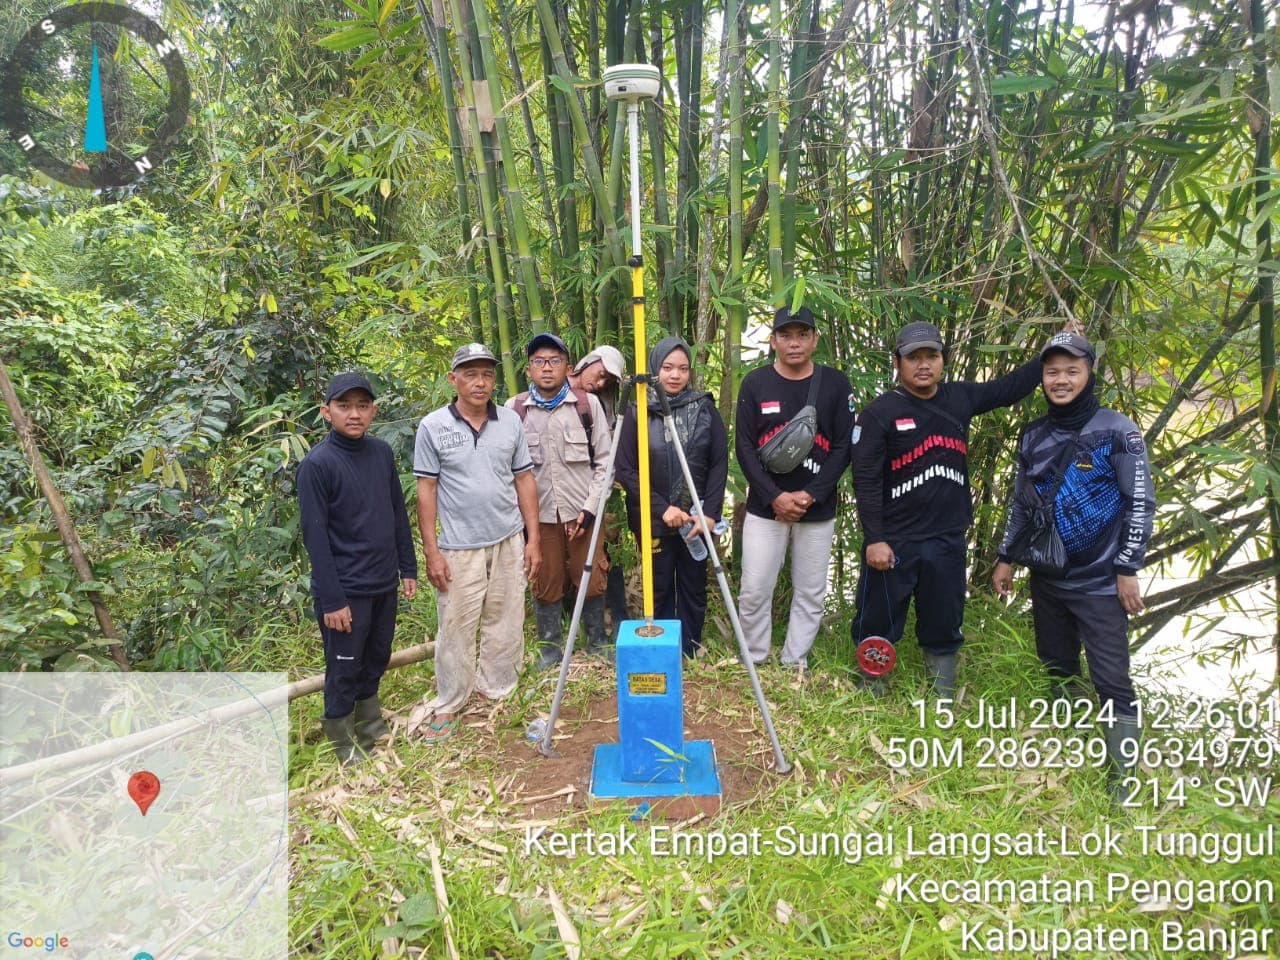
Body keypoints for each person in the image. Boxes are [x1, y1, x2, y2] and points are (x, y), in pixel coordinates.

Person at [992, 332, 1154, 795]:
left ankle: (1123, 781)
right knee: (1057, 666)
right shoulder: (1034, 433)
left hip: (1102, 582)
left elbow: (1140, 501)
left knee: (1111, 680)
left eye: (1071, 371)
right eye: (1052, 372)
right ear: (1042, 378)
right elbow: (1020, 503)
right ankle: (1069, 748)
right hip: (1047, 578)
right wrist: (1006, 557)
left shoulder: (1117, 430)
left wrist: (1128, 567)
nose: (1060, 380)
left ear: (1089, 373)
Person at [849, 321, 1043, 697]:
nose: (924, 365)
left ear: (943, 360)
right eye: (914, 358)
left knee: (944, 615)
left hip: (947, 538)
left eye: (932, 356)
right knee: (879, 616)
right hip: (895, 540)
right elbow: (866, 480)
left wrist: (1050, 354)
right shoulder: (880, 412)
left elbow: (1008, 388)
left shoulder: (959, 398)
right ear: (897, 362)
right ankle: (871, 684)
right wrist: (875, 539)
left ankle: (942, 692)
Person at [413, 343, 541, 742]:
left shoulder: (510, 423)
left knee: (506, 617)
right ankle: (451, 700)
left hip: (507, 538)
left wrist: (532, 538)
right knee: (455, 624)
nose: (480, 382)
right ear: (454, 379)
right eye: (470, 374)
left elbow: (523, 479)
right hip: (458, 546)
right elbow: (426, 490)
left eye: (487, 373)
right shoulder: (433, 426)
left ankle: (499, 687)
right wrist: (432, 550)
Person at [297, 372, 418, 765]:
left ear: (373, 411)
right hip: (345, 589)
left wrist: (408, 567)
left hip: (382, 581)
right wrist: (333, 600)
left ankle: (370, 723)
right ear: (326, 412)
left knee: (377, 655)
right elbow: (316, 538)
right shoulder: (318, 464)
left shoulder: (381, 453)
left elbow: (397, 513)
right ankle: (340, 736)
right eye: (344, 406)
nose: (354, 414)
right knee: (343, 665)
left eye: (362, 406)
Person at [735, 305, 856, 670]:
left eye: (803, 334)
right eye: (785, 335)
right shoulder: (755, 383)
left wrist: (811, 494)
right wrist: (774, 496)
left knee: (810, 592)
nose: (794, 343)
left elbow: (844, 446)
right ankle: (754, 658)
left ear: (815, 340)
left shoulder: (835, 383)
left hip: (816, 509)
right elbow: (743, 446)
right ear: (772, 341)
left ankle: (794, 661)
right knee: (755, 588)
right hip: (764, 508)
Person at [615, 336, 728, 657]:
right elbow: (625, 469)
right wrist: (661, 509)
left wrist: (710, 513)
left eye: (682, 369)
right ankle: (663, 650)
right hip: (653, 519)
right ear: (655, 369)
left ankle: (690, 648)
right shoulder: (638, 408)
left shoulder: (704, 406)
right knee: (659, 583)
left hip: (696, 516)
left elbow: (719, 461)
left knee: (694, 583)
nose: (675, 375)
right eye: (667, 368)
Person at [507, 333, 613, 666]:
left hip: (582, 513)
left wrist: (589, 508)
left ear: (567, 366)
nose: (547, 368)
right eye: (539, 362)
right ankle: (549, 651)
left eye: (554, 361)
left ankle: (597, 643)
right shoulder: (514, 409)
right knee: (545, 580)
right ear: (529, 370)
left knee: (591, 578)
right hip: (539, 520)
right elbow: (507, 470)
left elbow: (605, 465)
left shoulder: (587, 405)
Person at [569, 344, 631, 635]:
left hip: (603, 491)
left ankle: (617, 618)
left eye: (609, 381)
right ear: (588, 362)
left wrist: (599, 499)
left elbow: (608, 458)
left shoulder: (604, 405)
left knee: (609, 555)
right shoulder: (553, 390)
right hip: (562, 493)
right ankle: (573, 623)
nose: (602, 382)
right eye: (602, 373)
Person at [570, 345, 626, 421]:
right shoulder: (555, 387)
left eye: (607, 382)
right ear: (590, 361)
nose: (601, 384)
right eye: (601, 375)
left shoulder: (595, 404)